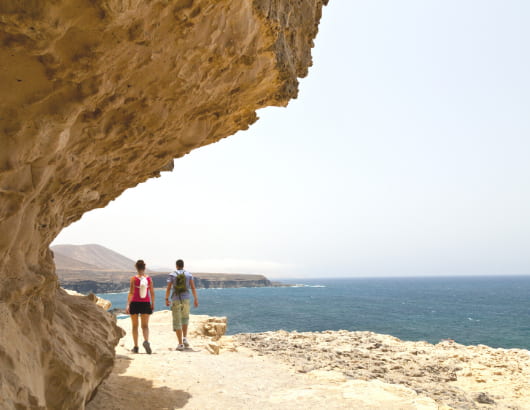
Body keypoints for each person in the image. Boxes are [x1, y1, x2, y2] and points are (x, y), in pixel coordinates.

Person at [165, 259, 199, 351]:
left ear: (176, 266)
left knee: (177, 320)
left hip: (176, 300)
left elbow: (168, 288)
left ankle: (180, 344)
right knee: (185, 318)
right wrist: (195, 299)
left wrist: (166, 299)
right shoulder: (189, 275)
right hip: (186, 299)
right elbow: (193, 287)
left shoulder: (172, 274)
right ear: (183, 265)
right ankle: (184, 338)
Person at [126, 259, 155, 354]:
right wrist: (152, 304)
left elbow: (131, 293)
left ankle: (136, 347)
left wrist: (128, 305)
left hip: (134, 303)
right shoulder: (149, 279)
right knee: (145, 326)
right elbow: (152, 293)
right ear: (144, 267)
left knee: (135, 326)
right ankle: (146, 341)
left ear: (136, 268)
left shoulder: (133, 279)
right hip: (145, 303)